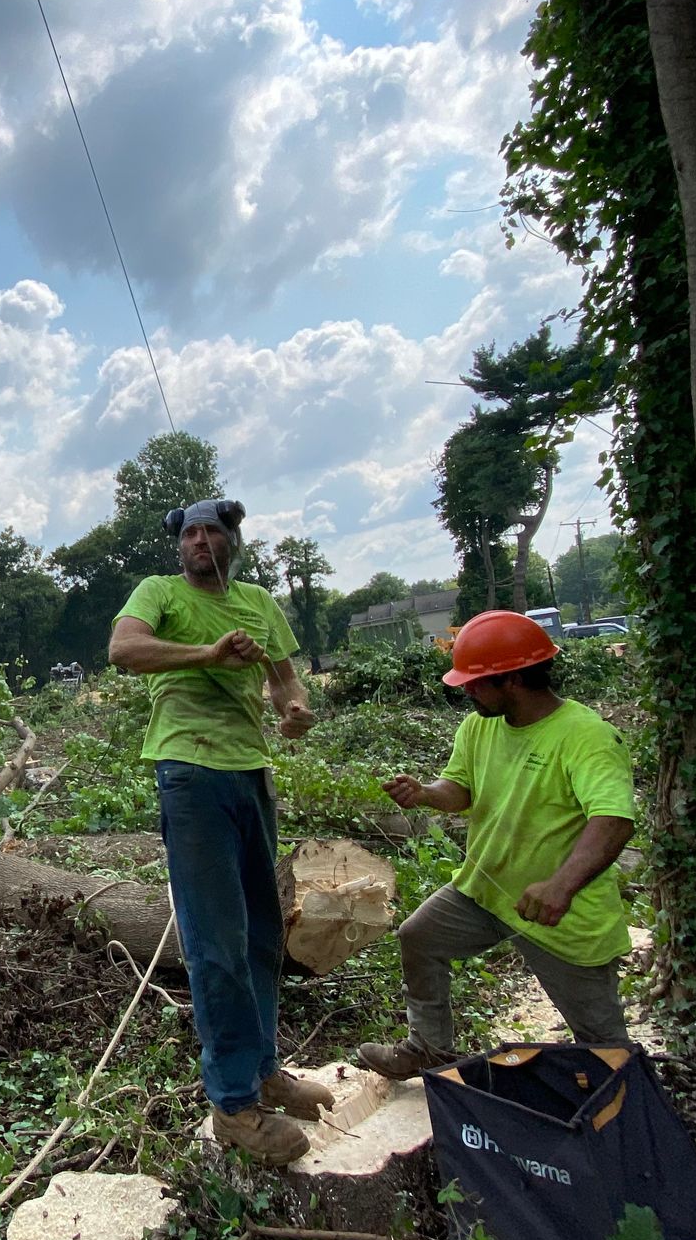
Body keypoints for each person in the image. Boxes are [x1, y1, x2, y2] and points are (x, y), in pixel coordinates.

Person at [108, 497, 331, 1166]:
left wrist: (293, 709)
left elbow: (287, 680)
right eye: (191, 534)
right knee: (217, 943)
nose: (200, 541)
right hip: (190, 774)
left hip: (250, 773)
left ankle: (263, 1068)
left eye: (212, 531)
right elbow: (124, 650)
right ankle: (235, 1106)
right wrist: (208, 651)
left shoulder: (260, 602)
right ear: (181, 546)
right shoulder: (158, 593)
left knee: (264, 933)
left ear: (234, 539)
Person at [358, 609, 637, 1080]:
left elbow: (613, 821)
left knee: (604, 1046)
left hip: (561, 914)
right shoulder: (479, 726)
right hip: (487, 891)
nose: (466, 690)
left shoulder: (585, 737)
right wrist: (426, 793)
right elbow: (461, 790)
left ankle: (626, 1111)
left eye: (475, 682)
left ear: (512, 680)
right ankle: (428, 1049)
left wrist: (560, 887)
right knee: (418, 937)